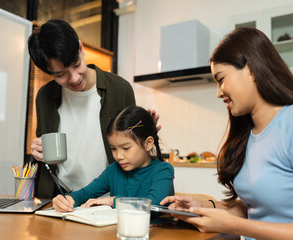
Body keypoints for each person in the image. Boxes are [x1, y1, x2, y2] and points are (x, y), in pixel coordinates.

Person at [161, 28, 293, 240]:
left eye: (221, 79)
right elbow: (256, 208)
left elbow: (245, 222)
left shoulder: (289, 123)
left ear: (250, 69)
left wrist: (236, 226)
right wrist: (204, 206)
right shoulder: (246, 134)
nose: (218, 92)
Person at [27, 19, 136, 199]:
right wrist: (37, 152)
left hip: (107, 200)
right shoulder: (44, 96)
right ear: (49, 73)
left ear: (81, 48)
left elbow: (134, 151)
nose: (75, 78)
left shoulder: (120, 89)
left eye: (77, 64)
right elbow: (44, 153)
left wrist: (142, 131)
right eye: (61, 74)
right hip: (60, 198)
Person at [52, 106, 174, 212]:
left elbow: (153, 205)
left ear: (148, 143)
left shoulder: (163, 170)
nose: (118, 156)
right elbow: (84, 194)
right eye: (113, 149)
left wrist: (114, 201)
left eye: (126, 148)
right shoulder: (114, 170)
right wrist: (67, 200)